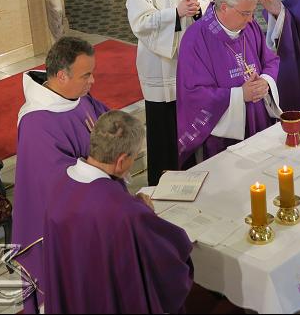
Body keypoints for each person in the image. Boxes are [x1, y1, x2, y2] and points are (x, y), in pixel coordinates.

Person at [42, 110, 194, 313]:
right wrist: (146, 213)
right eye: (135, 156)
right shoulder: (126, 213)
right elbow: (169, 259)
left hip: (75, 294)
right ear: (121, 161)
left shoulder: (59, 184)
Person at [13, 36, 109, 313]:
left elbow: (108, 121)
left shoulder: (77, 96)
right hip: (61, 229)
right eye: (86, 75)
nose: (92, 82)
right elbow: (58, 183)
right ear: (61, 76)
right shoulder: (36, 122)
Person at [126, 0, 216, 186]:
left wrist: (198, 6)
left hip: (193, 57)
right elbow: (139, 22)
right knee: (164, 129)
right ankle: (162, 184)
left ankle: (191, 176)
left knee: (191, 121)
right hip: (161, 63)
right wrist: (174, 14)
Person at [177, 0, 282, 166]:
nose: (251, 19)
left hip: (257, 118)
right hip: (221, 136)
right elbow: (194, 94)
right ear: (224, 7)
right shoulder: (195, 39)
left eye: (252, 12)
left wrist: (265, 81)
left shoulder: (249, 27)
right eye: (245, 13)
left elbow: (271, 60)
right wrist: (239, 94)